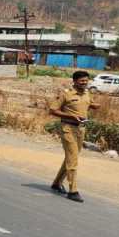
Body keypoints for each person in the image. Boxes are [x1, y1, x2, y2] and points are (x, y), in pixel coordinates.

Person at [49, 70, 101, 203]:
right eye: (82, 80)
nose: (84, 82)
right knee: (73, 159)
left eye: (86, 80)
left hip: (81, 129)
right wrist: (71, 116)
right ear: (75, 81)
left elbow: (89, 104)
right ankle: (73, 191)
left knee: (71, 157)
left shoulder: (87, 93)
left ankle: (56, 183)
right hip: (68, 128)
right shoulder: (66, 94)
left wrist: (94, 106)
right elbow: (53, 110)